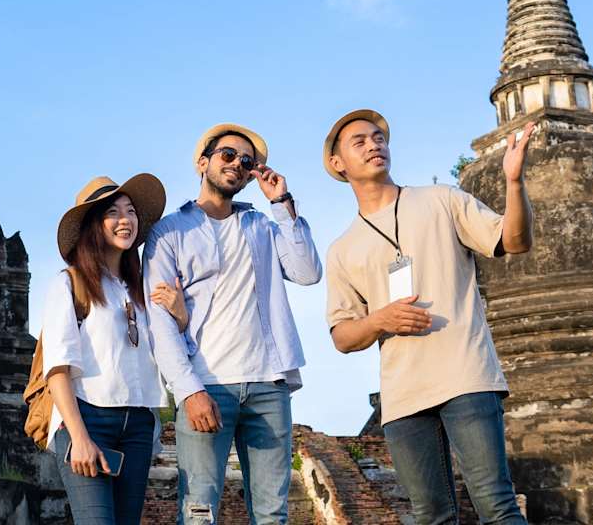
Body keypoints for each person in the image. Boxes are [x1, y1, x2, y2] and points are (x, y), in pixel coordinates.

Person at [322, 109, 533, 525]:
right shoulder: (343, 248)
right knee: (429, 516)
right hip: (403, 396)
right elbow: (343, 337)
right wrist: (380, 320)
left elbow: (513, 239)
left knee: (496, 504)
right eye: (359, 142)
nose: (374, 145)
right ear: (337, 163)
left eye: (378, 137)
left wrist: (513, 181)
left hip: (465, 374)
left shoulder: (442, 200)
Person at [143, 124, 322, 525]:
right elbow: (158, 319)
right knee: (199, 511)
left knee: (273, 513)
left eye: (247, 162)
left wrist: (282, 203)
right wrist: (189, 390)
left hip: (268, 385)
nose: (237, 165)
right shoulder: (170, 231)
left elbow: (308, 272)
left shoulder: (263, 226)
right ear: (202, 162)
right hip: (207, 383)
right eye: (228, 155)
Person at [42, 173, 170, 525]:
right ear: (93, 225)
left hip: (139, 425)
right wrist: (79, 437)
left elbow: (167, 354)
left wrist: (180, 313)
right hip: (89, 418)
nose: (125, 219)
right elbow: (57, 369)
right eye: (112, 212)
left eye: (130, 211)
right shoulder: (69, 283)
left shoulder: (142, 290)